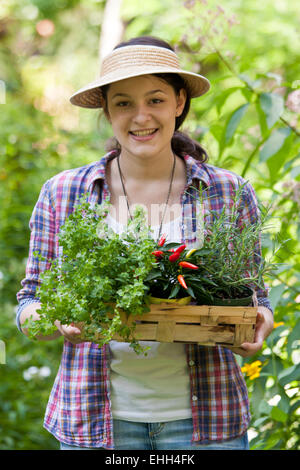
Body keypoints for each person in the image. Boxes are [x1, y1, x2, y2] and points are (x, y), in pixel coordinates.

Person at [16, 36, 274, 451]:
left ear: (179, 102)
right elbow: (30, 302)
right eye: (123, 103)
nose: (141, 117)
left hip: (208, 425)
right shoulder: (63, 192)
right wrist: (56, 321)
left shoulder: (226, 191)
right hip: (96, 425)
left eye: (155, 100)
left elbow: (252, 298)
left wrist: (259, 322)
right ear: (106, 110)